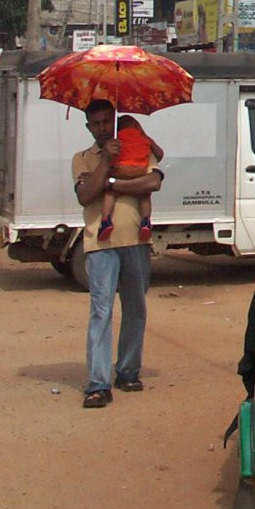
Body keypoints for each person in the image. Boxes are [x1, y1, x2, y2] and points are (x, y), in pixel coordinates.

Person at [72, 98, 163, 409]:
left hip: (136, 240)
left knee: (135, 309)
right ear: (88, 127)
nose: (100, 128)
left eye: (105, 122)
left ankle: (128, 371)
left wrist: (110, 183)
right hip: (100, 244)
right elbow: (86, 196)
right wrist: (106, 166)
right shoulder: (82, 158)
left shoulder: (136, 145)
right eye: (95, 123)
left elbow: (154, 181)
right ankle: (98, 383)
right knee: (101, 312)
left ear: (115, 121)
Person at [99, 114, 164, 244]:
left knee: (110, 194)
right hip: (139, 171)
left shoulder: (116, 139)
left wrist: (111, 179)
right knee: (145, 195)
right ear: (136, 125)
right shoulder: (144, 138)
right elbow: (160, 154)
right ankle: (145, 221)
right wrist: (144, 135)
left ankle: (106, 221)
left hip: (121, 170)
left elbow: (109, 158)